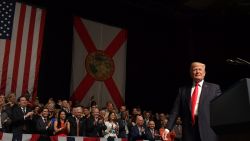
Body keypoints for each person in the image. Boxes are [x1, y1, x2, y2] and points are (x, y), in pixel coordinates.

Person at [162, 62, 222, 141]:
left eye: (200, 69)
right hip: (189, 132)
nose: (197, 72)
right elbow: (175, 111)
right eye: (195, 70)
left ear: (204, 73)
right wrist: (167, 129)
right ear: (191, 73)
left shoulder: (214, 88)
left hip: (208, 131)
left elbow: (220, 107)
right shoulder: (182, 91)